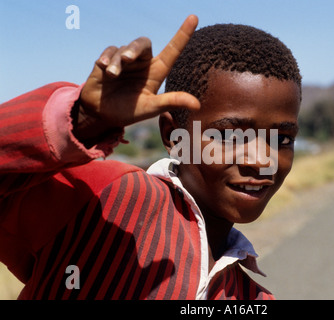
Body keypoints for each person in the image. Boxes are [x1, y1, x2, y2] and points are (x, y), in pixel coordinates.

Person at [0, 15, 301, 300]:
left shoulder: (251, 297)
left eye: (282, 139)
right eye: (232, 135)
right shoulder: (107, 199)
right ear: (174, 136)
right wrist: (85, 120)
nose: (264, 160)